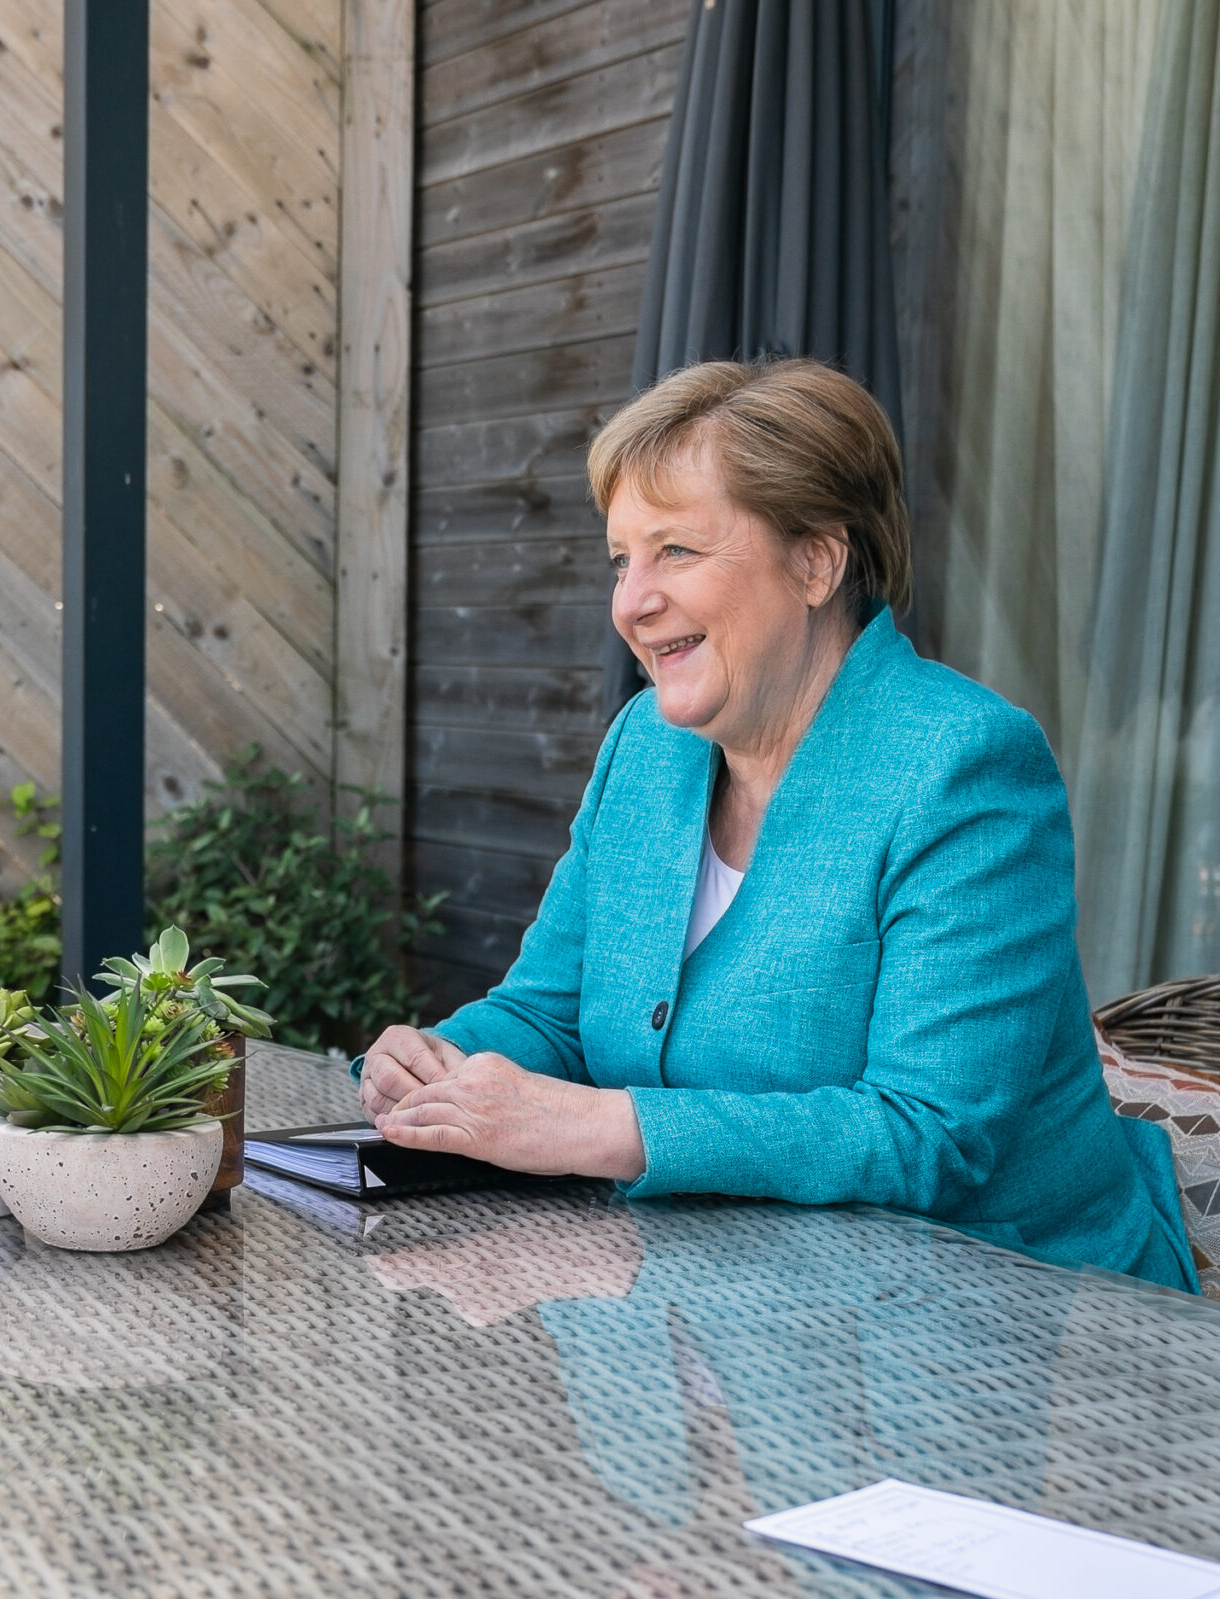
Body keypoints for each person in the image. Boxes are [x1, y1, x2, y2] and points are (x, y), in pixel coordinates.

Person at [357, 357, 1196, 1292]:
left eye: (675, 550)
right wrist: (443, 1067)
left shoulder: (964, 766)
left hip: (1002, 1323)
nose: (631, 601)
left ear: (816, 561)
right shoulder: (646, 745)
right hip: (704, 1294)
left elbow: (929, 1133)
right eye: (621, 560)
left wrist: (601, 1126)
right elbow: (550, 1011)